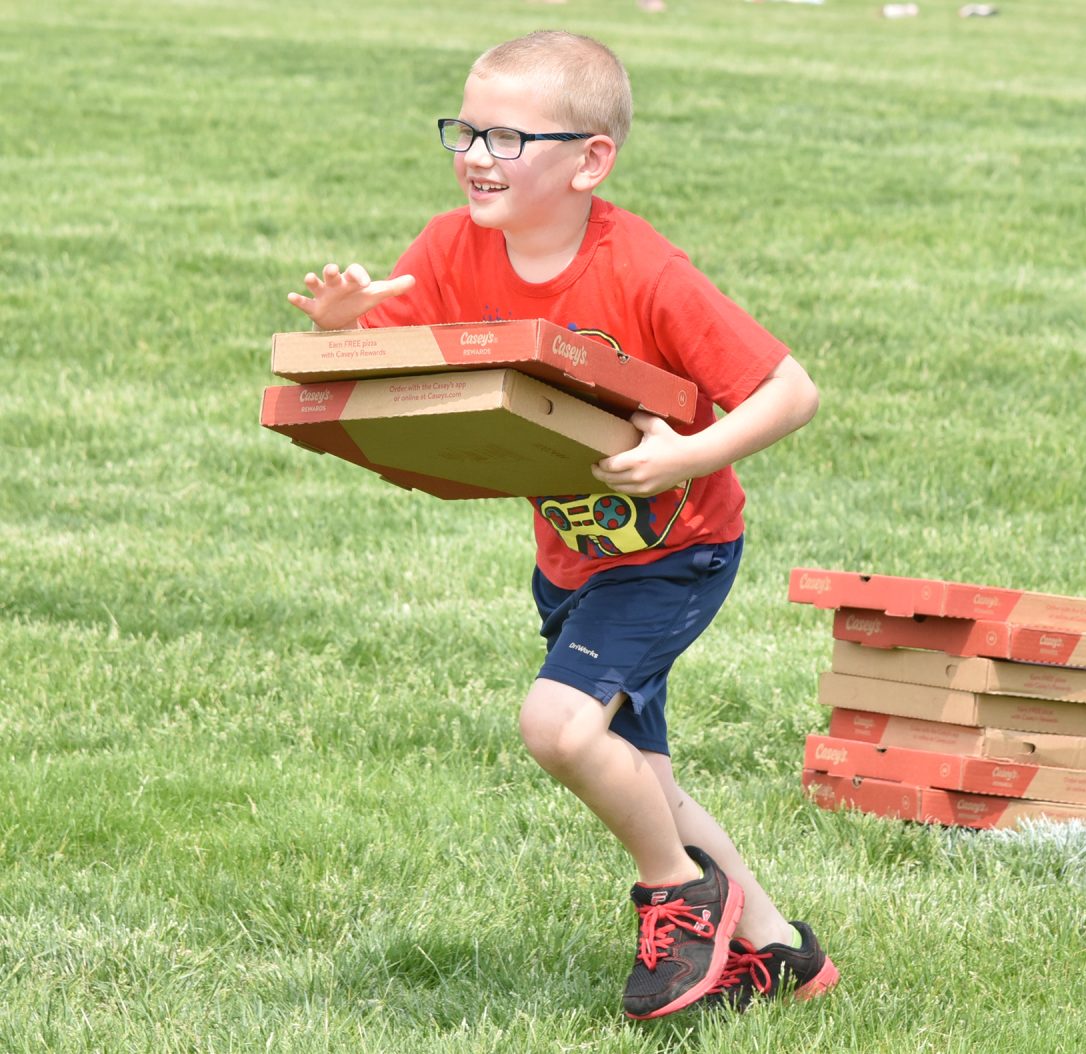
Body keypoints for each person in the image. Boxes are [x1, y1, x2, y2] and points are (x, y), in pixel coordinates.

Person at [286, 30, 837, 1020]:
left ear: (591, 161)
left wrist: (684, 455)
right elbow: (384, 371)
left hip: (675, 551)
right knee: (643, 776)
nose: (477, 154)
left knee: (557, 726)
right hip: (576, 558)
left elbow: (790, 390)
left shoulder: (646, 271)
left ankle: (677, 894)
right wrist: (341, 327)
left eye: (508, 136)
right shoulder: (450, 247)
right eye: (465, 129)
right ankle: (780, 951)